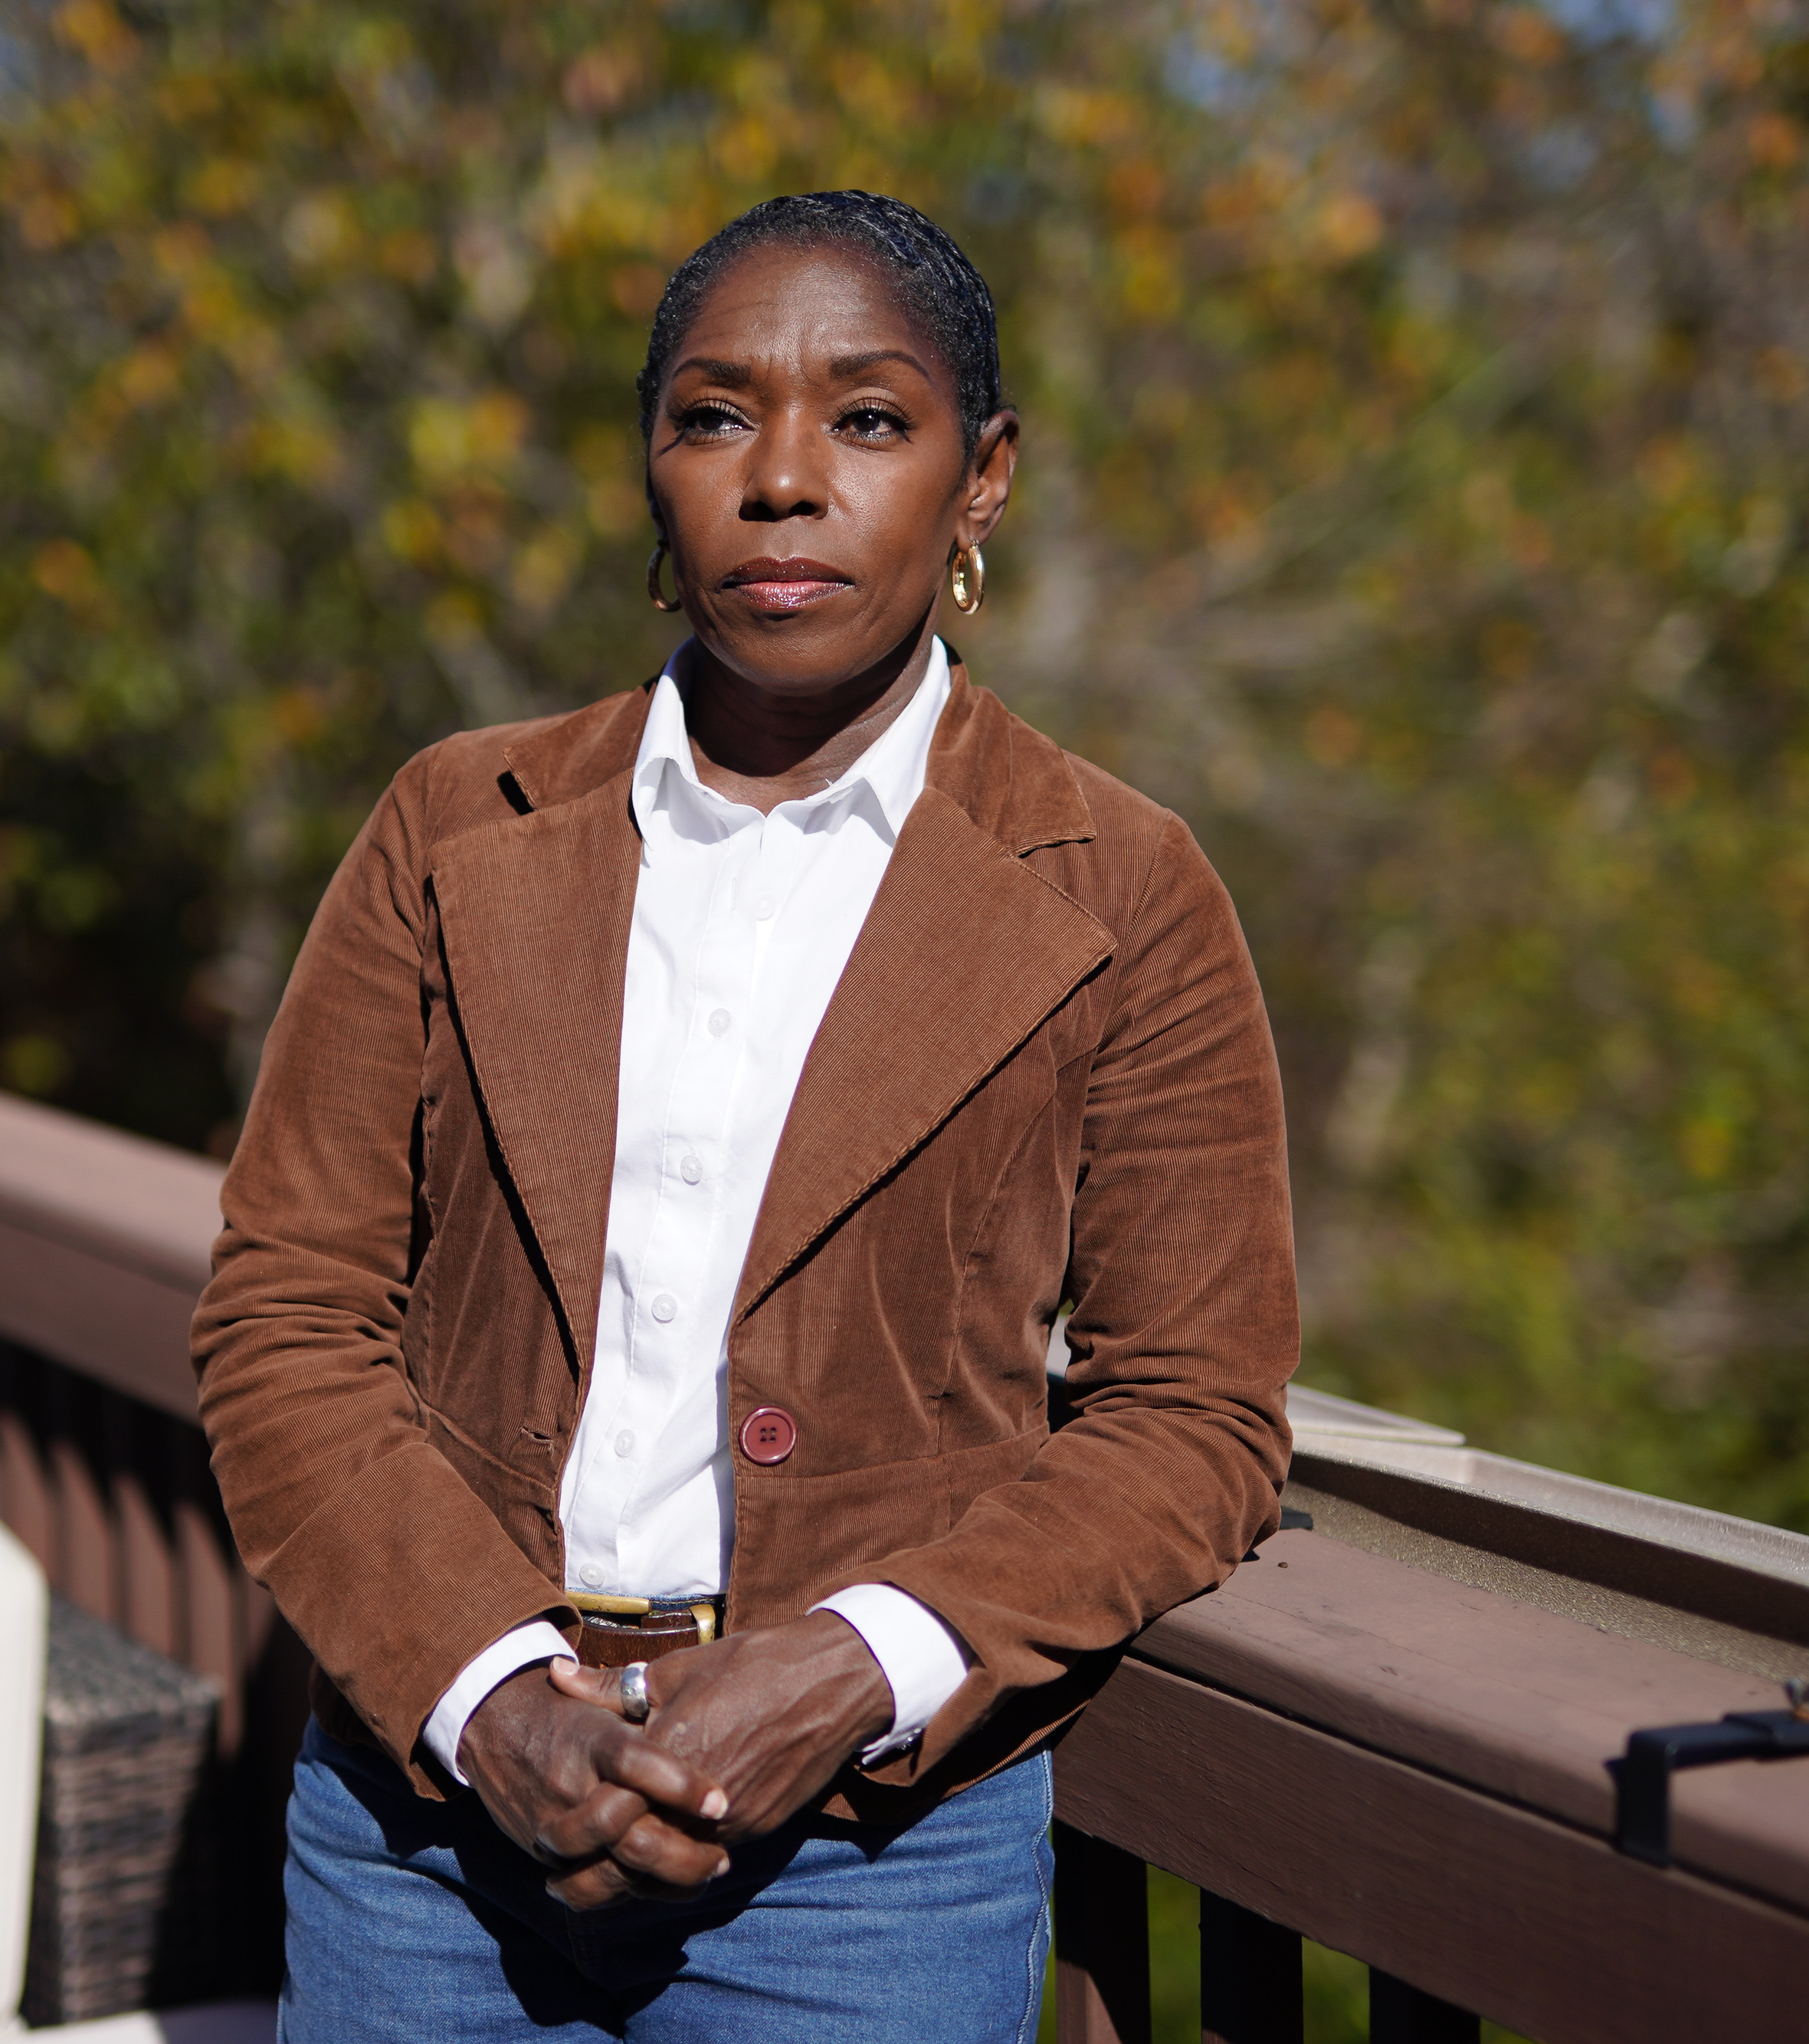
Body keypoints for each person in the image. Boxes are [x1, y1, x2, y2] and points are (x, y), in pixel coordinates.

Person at [192, 189, 1296, 2042]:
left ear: (981, 478)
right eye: (713, 417)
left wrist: (856, 1663)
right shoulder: (456, 828)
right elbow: (285, 1310)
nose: (781, 479)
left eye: (866, 418)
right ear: (651, 469)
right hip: (426, 1839)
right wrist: (487, 1692)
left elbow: (1195, 1407)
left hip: (867, 1868)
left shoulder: (1120, 887)